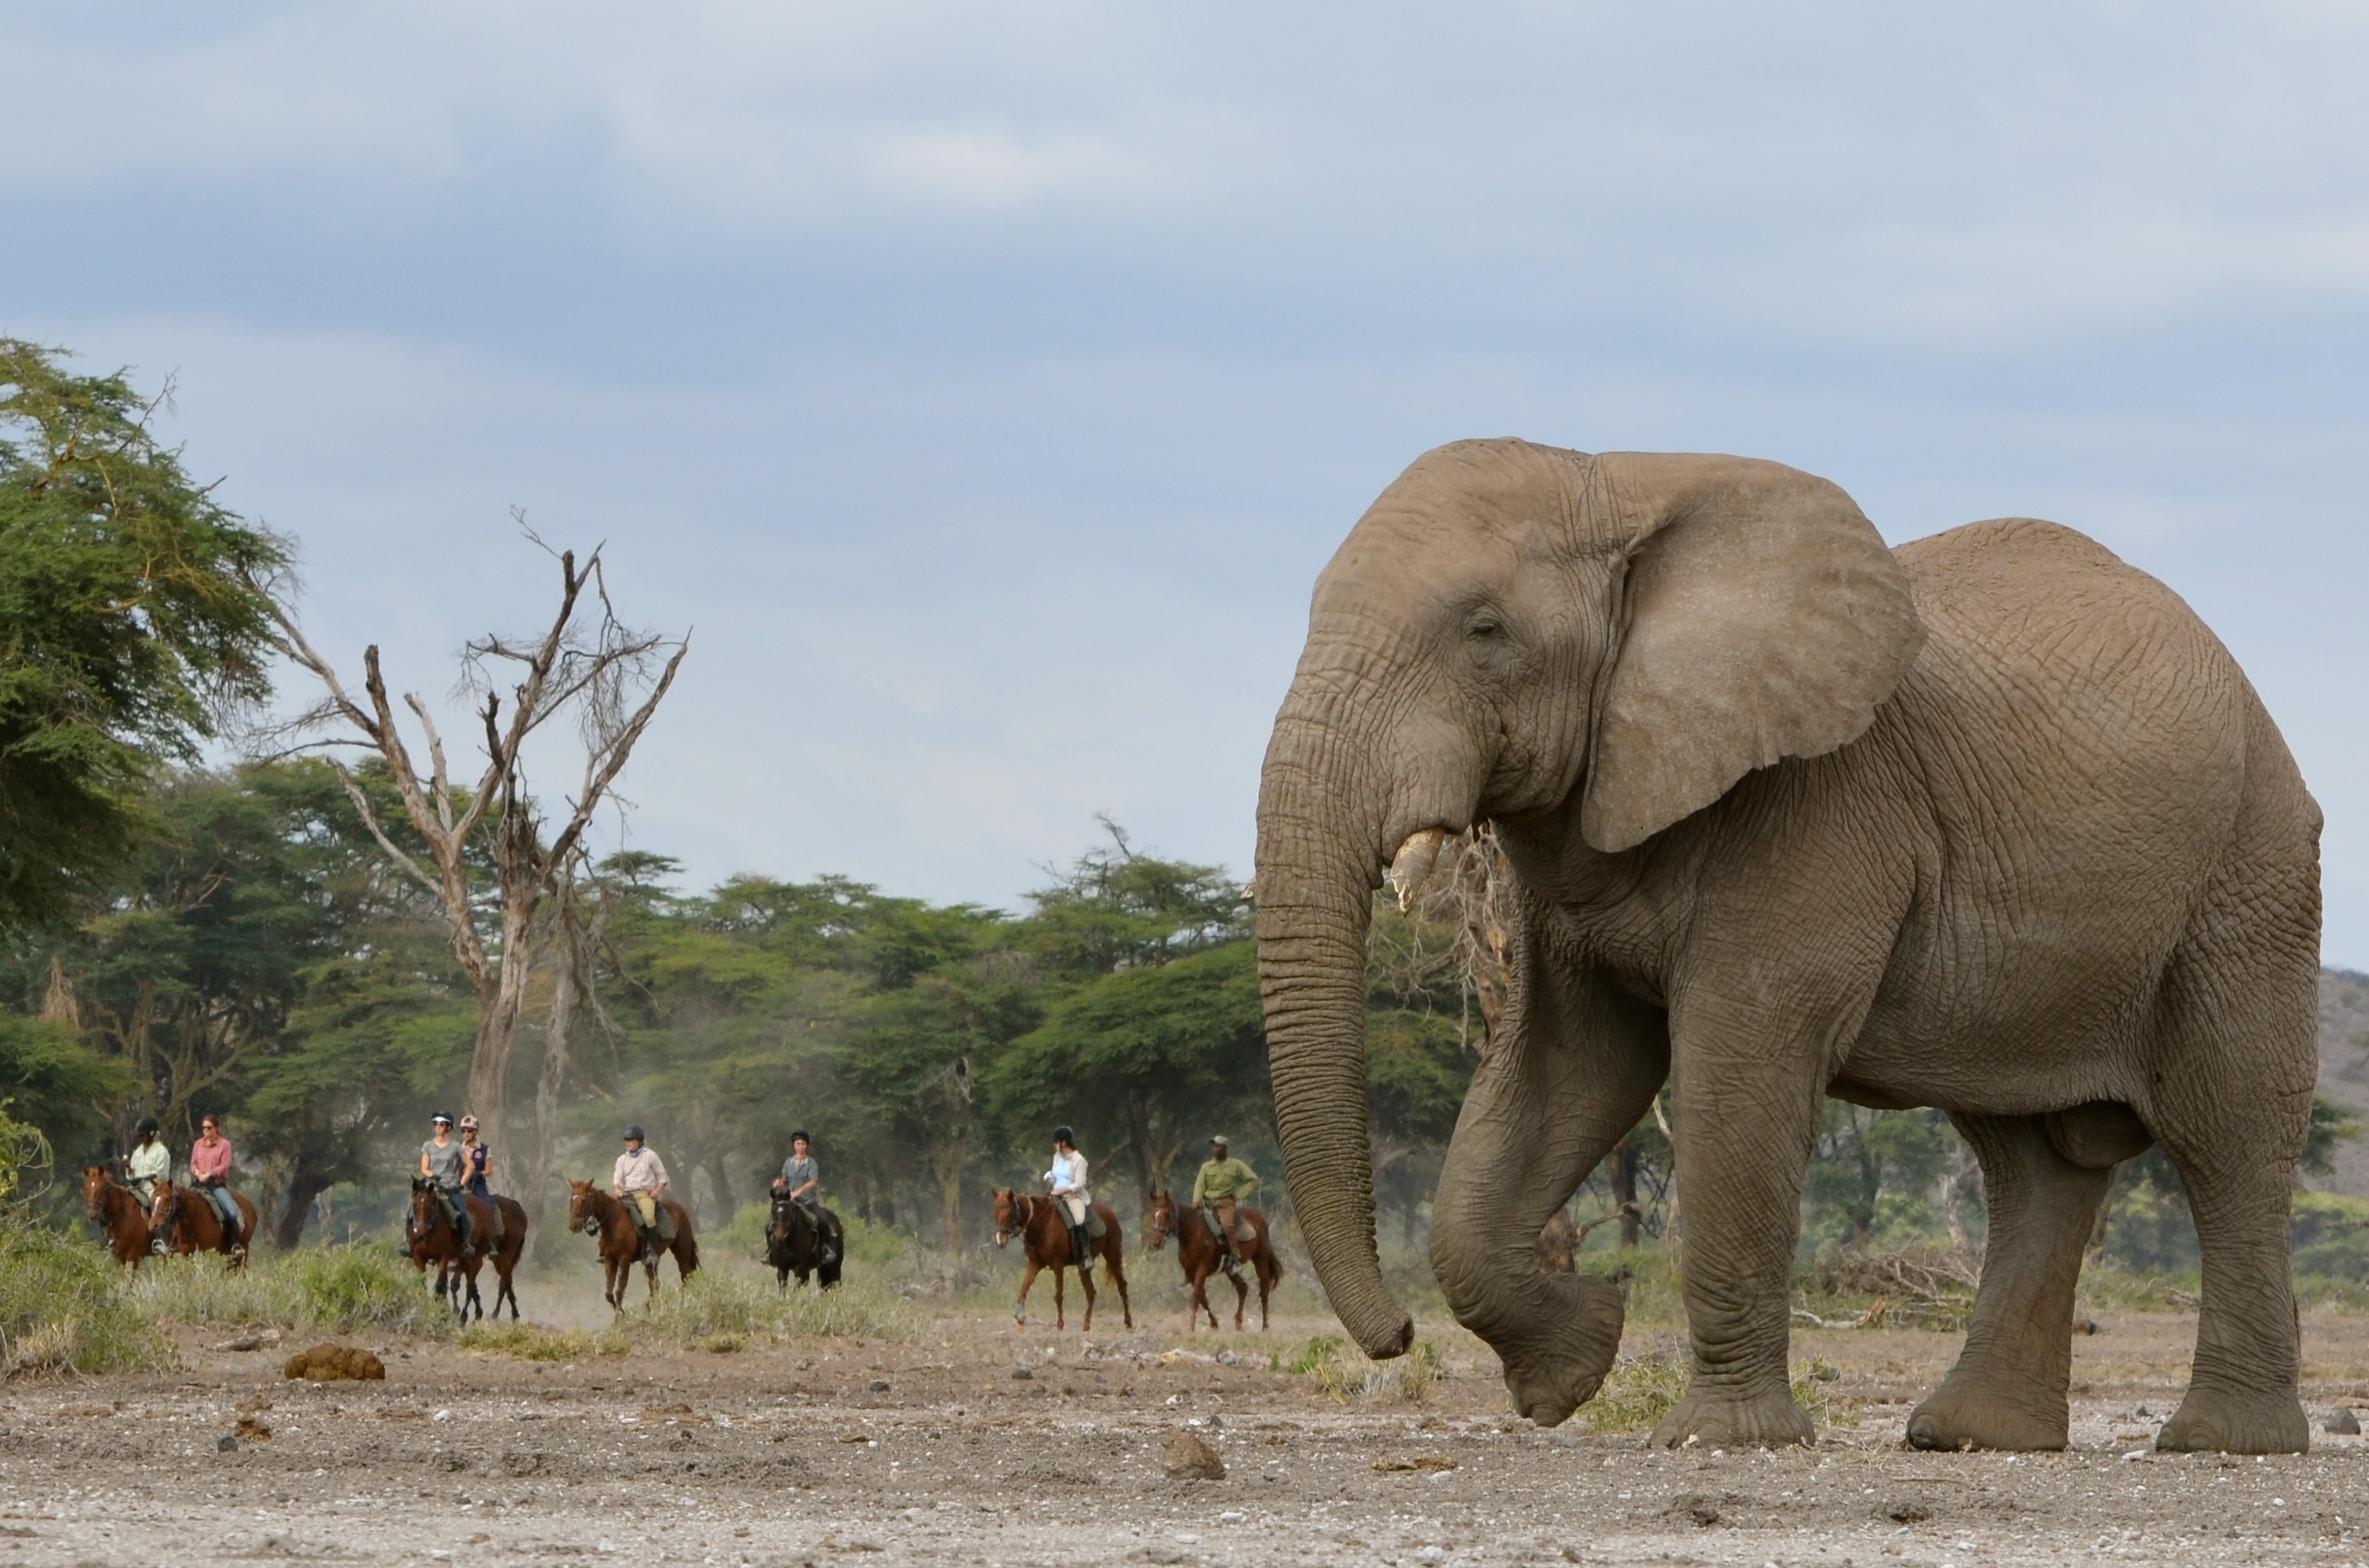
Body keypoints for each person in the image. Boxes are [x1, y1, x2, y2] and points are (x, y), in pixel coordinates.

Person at [1191, 1135, 1260, 1276]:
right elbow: (1199, 1184)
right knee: (1191, 1226)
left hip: (1225, 1204)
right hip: (1207, 1203)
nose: (1216, 1149)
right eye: (1214, 1146)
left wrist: (1239, 1196)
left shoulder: (1236, 1165)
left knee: (1227, 1227)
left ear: (1225, 1148)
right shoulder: (1206, 1167)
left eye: (1219, 1146)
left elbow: (1253, 1180)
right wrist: (1196, 1200)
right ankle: (1191, 1262)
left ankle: (1235, 1259)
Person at [772, 1130, 836, 1267]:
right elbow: (785, 1180)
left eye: (803, 1144)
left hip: (807, 1201)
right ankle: (770, 1251)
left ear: (807, 1146)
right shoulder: (788, 1163)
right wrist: (779, 1183)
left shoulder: (811, 1163)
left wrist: (799, 1191)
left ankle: (827, 1248)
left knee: (822, 1221)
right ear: (793, 1145)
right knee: (772, 1222)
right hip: (790, 1201)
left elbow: (813, 1181)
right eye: (798, 1144)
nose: (800, 1146)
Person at [419, 1113, 475, 1254]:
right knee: (414, 1208)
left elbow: (470, 1165)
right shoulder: (428, 1146)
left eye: (442, 1124)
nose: (438, 1127)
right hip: (432, 1185)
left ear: (448, 1127)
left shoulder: (456, 1147)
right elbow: (424, 1168)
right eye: (436, 1124)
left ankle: (465, 1243)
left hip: (450, 1186)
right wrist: (434, 1177)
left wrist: (462, 1182)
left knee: (462, 1212)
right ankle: (408, 1241)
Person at [612, 1124, 673, 1250]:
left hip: (645, 1194)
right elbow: (617, 1181)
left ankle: (652, 1248)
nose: (628, 1143)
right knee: (612, 1215)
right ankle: (606, 1249)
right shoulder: (622, 1160)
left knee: (649, 1217)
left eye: (631, 1140)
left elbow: (663, 1177)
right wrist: (618, 1190)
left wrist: (657, 1191)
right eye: (626, 1140)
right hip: (627, 1195)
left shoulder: (650, 1156)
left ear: (639, 1141)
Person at [1044, 1125, 1092, 1271]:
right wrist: (1049, 1179)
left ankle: (1086, 1254)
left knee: (1078, 1219)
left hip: (1073, 1196)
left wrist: (1062, 1190)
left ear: (1064, 1143)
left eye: (1056, 1142)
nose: (1054, 1145)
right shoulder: (1057, 1157)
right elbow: (1055, 1176)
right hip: (1055, 1194)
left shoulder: (1079, 1160)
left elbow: (1079, 1183)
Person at [189, 1114, 240, 1246]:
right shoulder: (198, 1144)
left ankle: (234, 1244)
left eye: (209, 1127)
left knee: (232, 1213)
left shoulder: (225, 1145)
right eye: (204, 1128)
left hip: (215, 1186)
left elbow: (225, 1165)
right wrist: (197, 1172)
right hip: (198, 1185)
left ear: (216, 1128)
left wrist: (210, 1173)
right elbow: (193, 1163)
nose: (206, 1130)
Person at [126, 1117, 170, 1254]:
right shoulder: (138, 1152)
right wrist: (129, 1169)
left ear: (151, 1134)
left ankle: (160, 1239)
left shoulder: (161, 1151)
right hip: (138, 1188)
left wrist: (142, 1178)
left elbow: (159, 1173)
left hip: (154, 1189)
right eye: (139, 1135)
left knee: (156, 1206)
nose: (140, 1138)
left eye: (142, 1135)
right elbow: (131, 1174)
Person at [458, 1114, 501, 1246]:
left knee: (489, 1205)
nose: (466, 1134)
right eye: (463, 1131)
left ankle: (493, 1237)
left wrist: (479, 1174)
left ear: (475, 1132)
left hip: (478, 1184)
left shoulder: (484, 1149)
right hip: (460, 1184)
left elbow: (489, 1170)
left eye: (469, 1131)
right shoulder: (458, 1149)